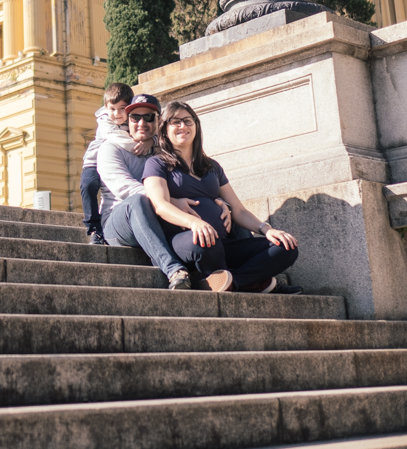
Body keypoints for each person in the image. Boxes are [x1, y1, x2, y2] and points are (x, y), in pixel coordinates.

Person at [142, 99, 301, 294]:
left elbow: (239, 210)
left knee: (286, 246)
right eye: (175, 122)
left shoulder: (212, 166)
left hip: (223, 244)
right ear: (165, 128)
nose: (182, 126)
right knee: (205, 242)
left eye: (188, 121)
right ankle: (249, 281)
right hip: (187, 241)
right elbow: (160, 205)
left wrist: (266, 229)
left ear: (196, 126)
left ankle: (233, 282)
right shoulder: (156, 163)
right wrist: (194, 223)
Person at [96, 93, 231, 288]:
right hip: (119, 221)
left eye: (149, 117)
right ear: (128, 120)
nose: (141, 122)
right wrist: (170, 201)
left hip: (160, 221)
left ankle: (244, 273)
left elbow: (194, 178)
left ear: (159, 121)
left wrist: (221, 202)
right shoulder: (110, 149)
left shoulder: (164, 148)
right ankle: (174, 269)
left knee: (230, 214)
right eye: (135, 117)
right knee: (138, 201)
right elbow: (125, 188)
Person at [81, 82, 148, 245]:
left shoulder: (134, 119)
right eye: (112, 109)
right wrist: (143, 143)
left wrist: (151, 140)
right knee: (88, 185)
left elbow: (153, 129)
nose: (117, 114)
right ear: (106, 107)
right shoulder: (105, 121)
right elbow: (118, 139)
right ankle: (94, 228)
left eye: (122, 108)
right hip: (94, 160)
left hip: (113, 161)